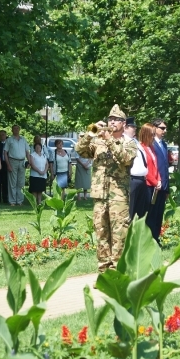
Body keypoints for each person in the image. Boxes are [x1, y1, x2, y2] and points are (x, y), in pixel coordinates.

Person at [75, 104, 137, 272]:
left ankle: (118, 271)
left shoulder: (129, 143)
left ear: (124, 123)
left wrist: (109, 138)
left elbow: (125, 159)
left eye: (116, 119)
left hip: (119, 197)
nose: (112, 122)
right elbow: (80, 150)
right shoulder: (97, 142)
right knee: (101, 235)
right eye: (110, 119)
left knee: (119, 236)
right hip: (100, 195)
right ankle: (103, 273)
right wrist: (91, 133)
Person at [148, 118, 170, 242]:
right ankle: (151, 239)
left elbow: (165, 167)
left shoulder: (164, 144)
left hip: (163, 186)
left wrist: (167, 187)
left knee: (159, 214)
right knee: (152, 213)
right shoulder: (151, 144)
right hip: (154, 185)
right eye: (162, 128)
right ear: (154, 128)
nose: (164, 130)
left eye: (165, 128)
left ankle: (156, 238)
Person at [127, 117, 149, 220]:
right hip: (132, 179)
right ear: (125, 128)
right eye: (132, 127)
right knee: (130, 211)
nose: (135, 129)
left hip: (141, 180)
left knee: (140, 212)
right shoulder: (124, 141)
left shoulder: (135, 141)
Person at [140, 123, 161, 225]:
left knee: (153, 214)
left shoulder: (151, 148)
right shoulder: (141, 148)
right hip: (147, 185)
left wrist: (159, 180)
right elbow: (145, 169)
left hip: (155, 185)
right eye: (152, 134)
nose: (153, 137)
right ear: (145, 134)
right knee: (146, 213)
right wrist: (155, 182)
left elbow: (155, 166)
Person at [4, 125, 31, 205]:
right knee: (12, 182)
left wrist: (29, 162)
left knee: (21, 182)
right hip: (12, 161)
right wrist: (8, 164)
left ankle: (19, 201)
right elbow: (5, 153)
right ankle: (12, 201)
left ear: (19, 130)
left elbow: (27, 152)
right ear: (12, 130)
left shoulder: (23, 139)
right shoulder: (9, 140)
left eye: (17, 128)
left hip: (22, 162)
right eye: (14, 129)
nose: (16, 130)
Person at [73, 135, 92, 200]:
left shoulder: (88, 146)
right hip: (80, 165)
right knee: (79, 181)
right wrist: (83, 165)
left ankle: (85, 196)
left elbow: (91, 156)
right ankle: (78, 196)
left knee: (86, 181)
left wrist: (87, 163)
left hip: (87, 165)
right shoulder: (77, 147)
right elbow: (77, 157)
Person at [0, 130, 9, 203]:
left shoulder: (9, 143)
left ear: (6, 135)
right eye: (0, 135)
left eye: (3, 134)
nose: (2, 136)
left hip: (7, 164)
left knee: (6, 182)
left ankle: (6, 198)